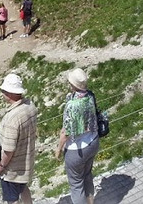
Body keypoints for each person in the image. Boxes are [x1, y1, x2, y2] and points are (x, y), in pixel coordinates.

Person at [0, 73, 37, 203]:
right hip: (25, 162)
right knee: (23, 188)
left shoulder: (12, 118)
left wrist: (0, 166)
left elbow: (8, 150)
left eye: (4, 90)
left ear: (10, 93)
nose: (2, 93)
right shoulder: (30, 106)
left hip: (12, 170)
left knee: (11, 199)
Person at [60, 68, 100, 204]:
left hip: (76, 150)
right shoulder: (90, 95)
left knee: (76, 185)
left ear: (73, 85)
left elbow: (66, 132)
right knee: (87, 176)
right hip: (93, 142)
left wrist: (58, 149)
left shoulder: (71, 105)